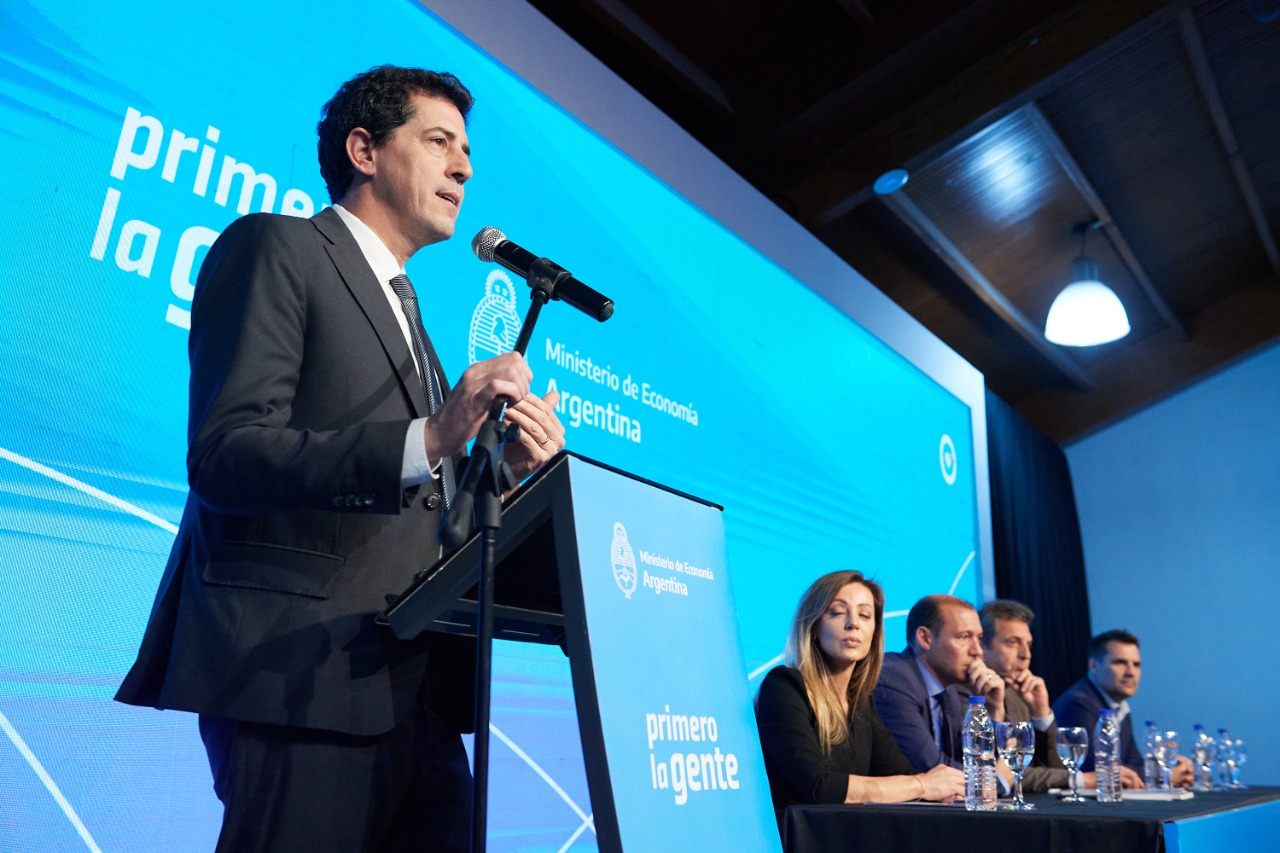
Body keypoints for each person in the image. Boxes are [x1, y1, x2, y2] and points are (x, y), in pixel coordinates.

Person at [115, 65, 566, 852]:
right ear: (364, 150)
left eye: (466, 151)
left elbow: (431, 504)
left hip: (418, 693)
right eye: (440, 142)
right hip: (301, 675)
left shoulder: (412, 317)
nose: (464, 168)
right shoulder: (277, 247)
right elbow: (225, 453)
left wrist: (508, 471)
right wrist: (432, 436)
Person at [755, 571, 963, 827]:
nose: (853, 623)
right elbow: (820, 787)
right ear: (814, 626)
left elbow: (900, 773)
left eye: (865, 615)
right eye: (837, 612)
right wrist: (922, 785)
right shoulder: (784, 686)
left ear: (874, 632)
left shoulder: (860, 702)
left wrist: (941, 787)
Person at [979, 601, 1143, 792]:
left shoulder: (1019, 697)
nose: (1026, 654)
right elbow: (1002, 773)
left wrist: (1042, 714)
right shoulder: (965, 694)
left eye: (1029, 644)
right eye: (1012, 642)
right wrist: (1080, 780)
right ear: (982, 646)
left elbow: (1056, 768)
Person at [872, 594, 1013, 790]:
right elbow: (932, 768)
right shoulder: (894, 679)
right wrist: (997, 781)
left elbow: (968, 760)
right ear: (925, 638)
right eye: (963, 637)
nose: (978, 651)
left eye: (979, 639)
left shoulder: (948, 690)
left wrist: (994, 708)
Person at [1053, 629, 1193, 785]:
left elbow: (1132, 762)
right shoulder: (1078, 704)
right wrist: (1163, 775)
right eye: (1120, 662)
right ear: (1093, 666)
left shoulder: (1119, 706)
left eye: (1136, 664)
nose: (1131, 672)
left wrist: (1165, 763)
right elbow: (1099, 771)